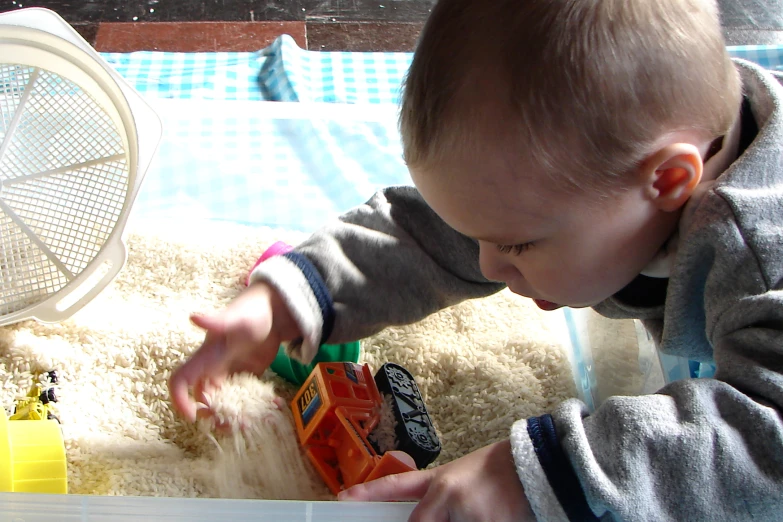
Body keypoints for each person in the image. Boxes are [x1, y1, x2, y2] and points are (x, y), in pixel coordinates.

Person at [168, 0, 783, 519]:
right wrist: (288, 298)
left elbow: (766, 444)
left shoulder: (758, 249)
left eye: (517, 245)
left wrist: (537, 475)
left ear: (669, 180)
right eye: (483, 236)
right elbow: (427, 235)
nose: (486, 268)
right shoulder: (606, 169)